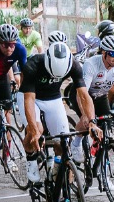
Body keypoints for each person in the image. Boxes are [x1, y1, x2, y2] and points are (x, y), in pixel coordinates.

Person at [22, 42, 95, 185]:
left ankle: (58, 175)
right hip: (32, 96)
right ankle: (31, 160)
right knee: (36, 130)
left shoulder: (74, 65)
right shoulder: (33, 64)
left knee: (63, 141)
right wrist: (34, 130)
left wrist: (92, 122)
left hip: (53, 97)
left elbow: (84, 96)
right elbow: (29, 100)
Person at [79, 34, 114, 161]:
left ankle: (101, 168)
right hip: (83, 95)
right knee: (86, 122)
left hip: (100, 96)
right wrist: (85, 114)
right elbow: (82, 94)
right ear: (104, 52)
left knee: (105, 129)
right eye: (113, 54)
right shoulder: (91, 64)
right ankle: (76, 143)